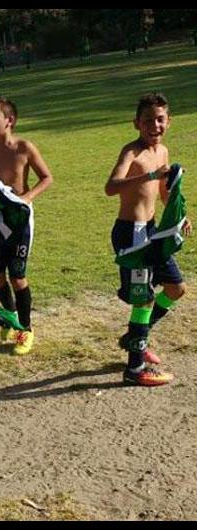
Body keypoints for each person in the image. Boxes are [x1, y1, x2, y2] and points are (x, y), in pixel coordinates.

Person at [104, 93, 191, 386]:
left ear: (169, 121)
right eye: (147, 120)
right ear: (136, 124)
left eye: (160, 119)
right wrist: (148, 174)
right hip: (130, 234)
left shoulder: (163, 151)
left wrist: (179, 217)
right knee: (144, 298)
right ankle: (134, 369)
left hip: (153, 232)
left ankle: (136, 336)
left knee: (176, 288)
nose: (154, 125)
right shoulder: (131, 152)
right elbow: (111, 186)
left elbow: (164, 192)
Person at [0, 96, 54, 355]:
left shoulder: (24, 148)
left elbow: (47, 177)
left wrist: (25, 199)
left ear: (10, 120)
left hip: (19, 219)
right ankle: (10, 314)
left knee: (17, 276)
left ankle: (25, 329)